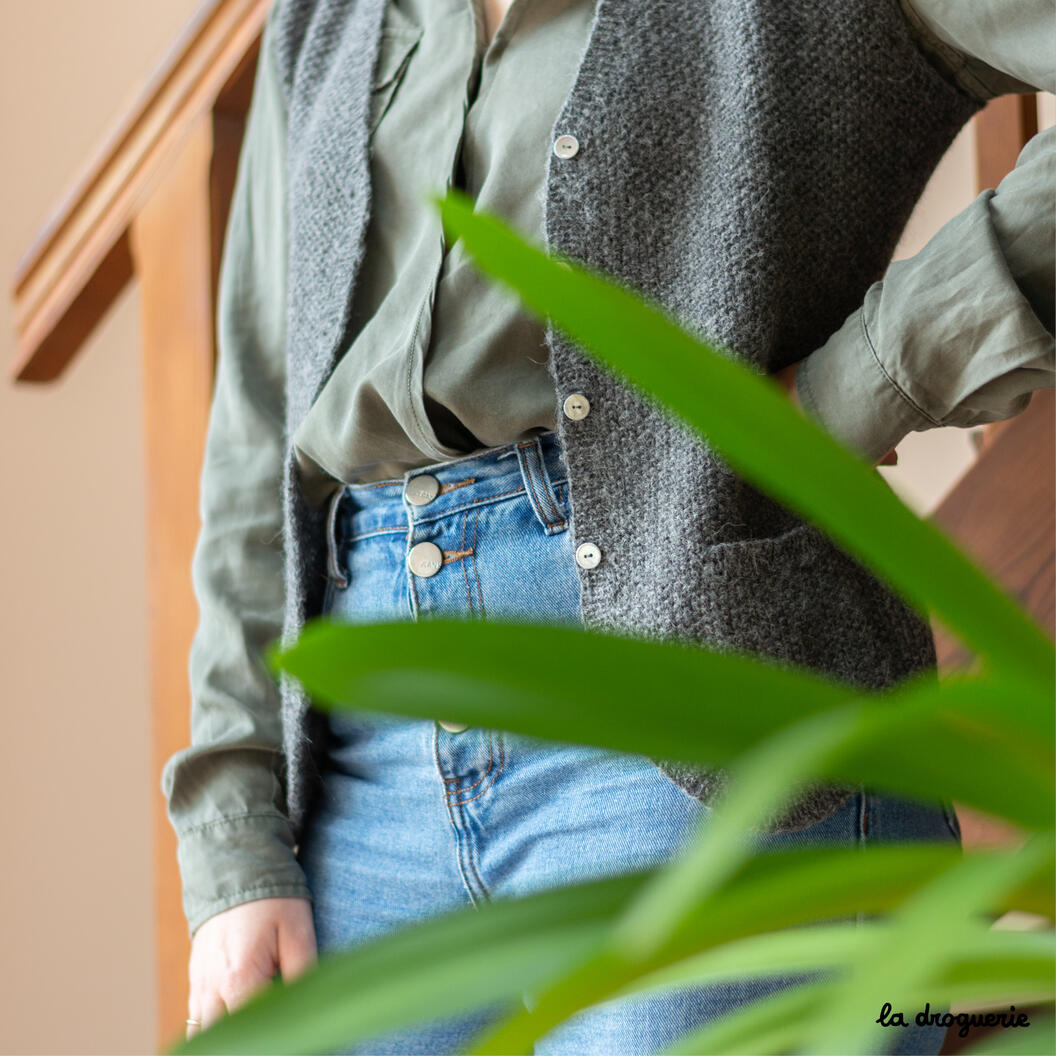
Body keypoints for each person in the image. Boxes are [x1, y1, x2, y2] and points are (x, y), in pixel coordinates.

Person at [163, 0, 1054, 1052]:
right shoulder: (324, 18)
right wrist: (234, 840)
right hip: (360, 775)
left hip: (705, 703)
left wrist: (855, 386)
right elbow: (259, 426)